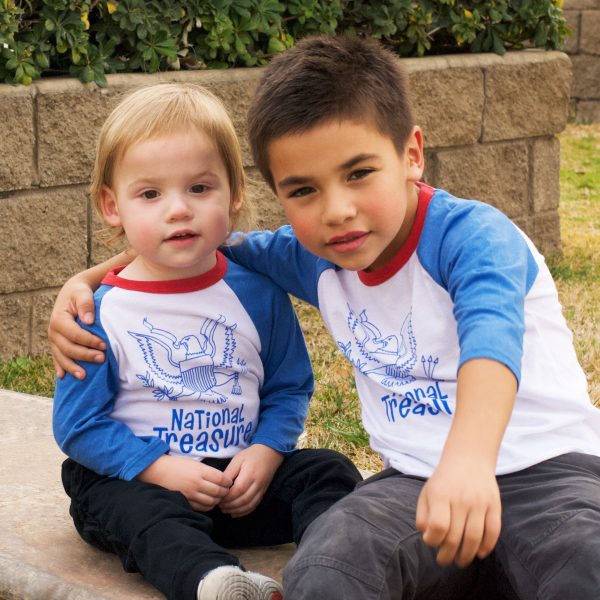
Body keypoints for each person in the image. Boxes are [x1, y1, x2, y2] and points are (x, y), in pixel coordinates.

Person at [48, 37, 600, 599]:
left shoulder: (474, 237)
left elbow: (491, 343)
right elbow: (187, 245)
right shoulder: (313, 256)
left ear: (411, 153)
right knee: (329, 567)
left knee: (586, 564)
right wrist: (85, 283)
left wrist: (469, 463)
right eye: (304, 190)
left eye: (359, 172)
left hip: (554, 475)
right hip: (416, 486)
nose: (336, 211)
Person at [52, 82, 362, 600]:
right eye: (150, 194)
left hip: (241, 485)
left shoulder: (257, 292)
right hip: (139, 481)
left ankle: (335, 571)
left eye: (199, 188)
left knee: (326, 471)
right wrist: (159, 469)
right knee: (137, 510)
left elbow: (289, 387)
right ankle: (215, 583)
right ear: (112, 205)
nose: (179, 210)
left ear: (234, 192)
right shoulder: (97, 310)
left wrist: (266, 452)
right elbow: (78, 424)